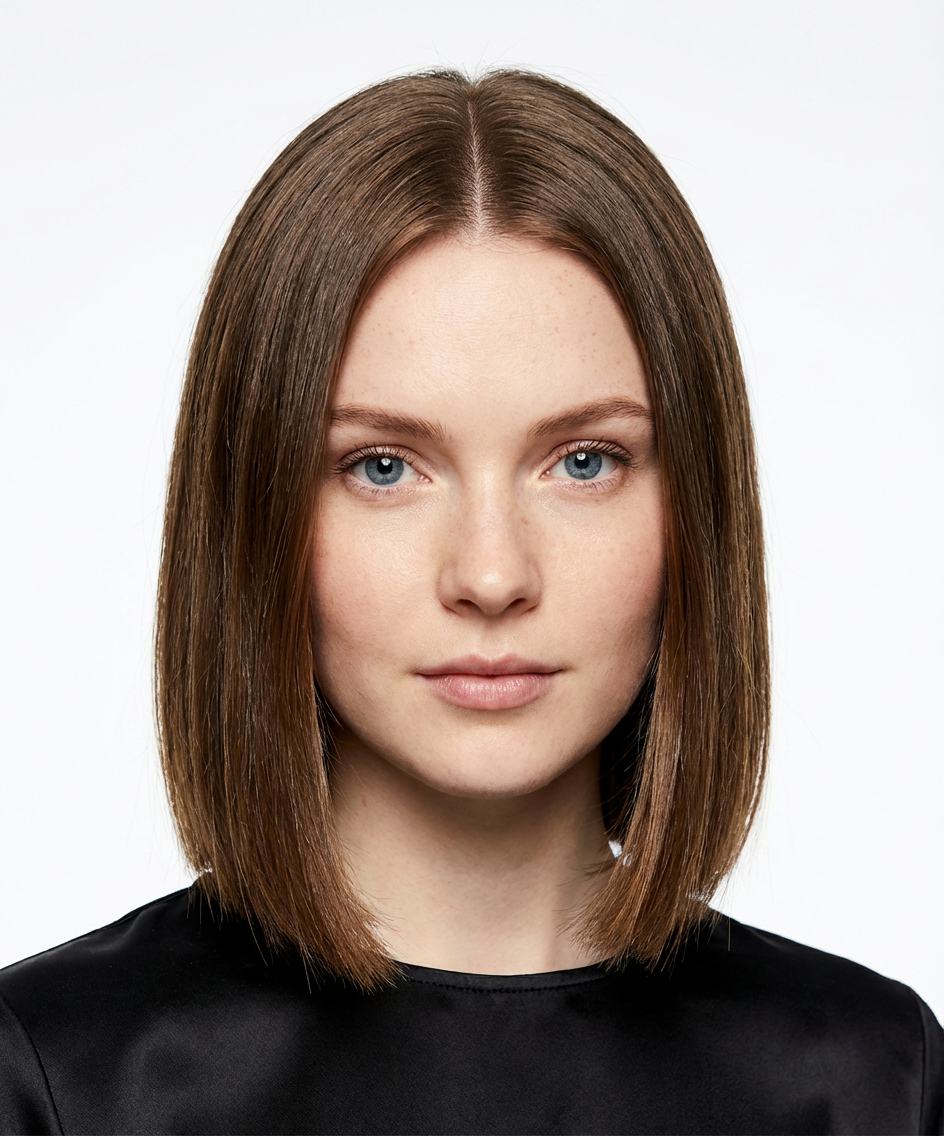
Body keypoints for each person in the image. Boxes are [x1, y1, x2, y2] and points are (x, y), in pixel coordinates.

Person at [0, 68, 939, 1136]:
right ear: (254, 514)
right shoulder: (57, 1073)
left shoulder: (873, 1077)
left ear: (696, 511)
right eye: (384, 467)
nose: (491, 576)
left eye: (582, 461)